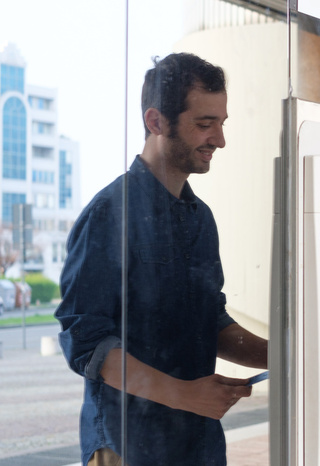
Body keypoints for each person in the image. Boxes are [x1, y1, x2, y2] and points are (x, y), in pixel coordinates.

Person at [55, 52, 268, 466]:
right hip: (128, 446)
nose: (219, 140)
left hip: (198, 443)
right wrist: (186, 394)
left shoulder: (200, 218)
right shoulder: (108, 213)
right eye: (204, 124)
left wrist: (285, 354)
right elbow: (85, 340)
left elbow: (212, 321)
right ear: (156, 123)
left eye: (221, 124)